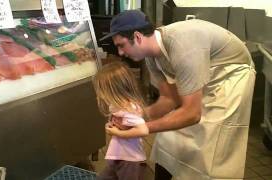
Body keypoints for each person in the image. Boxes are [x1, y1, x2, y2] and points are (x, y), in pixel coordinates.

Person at [100, 10, 256, 180]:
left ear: (137, 37)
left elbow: (192, 114)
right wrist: (136, 117)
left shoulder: (183, 47)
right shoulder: (152, 57)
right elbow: (170, 99)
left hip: (229, 78)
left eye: (121, 45)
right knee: (167, 138)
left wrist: (143, 129)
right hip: (205, 78)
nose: (120, 53)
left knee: (211, 147)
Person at [92, 61, 149, 180]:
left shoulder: (128, 109)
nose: (100, 95)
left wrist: (117, 133)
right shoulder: (115, 106)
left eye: (102, 90)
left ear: (114, 90)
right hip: (119, 156)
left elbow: (143, 130)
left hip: (130, 160)